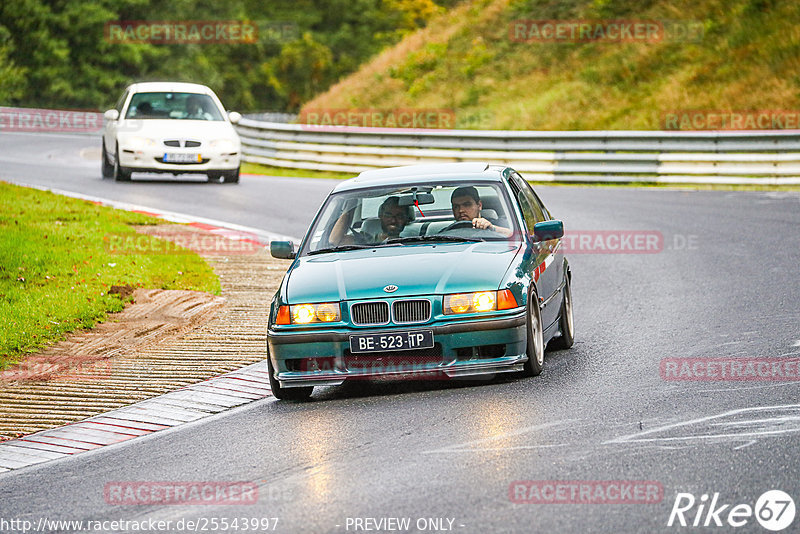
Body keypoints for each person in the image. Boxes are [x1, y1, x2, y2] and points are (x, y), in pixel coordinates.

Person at [329, 196, 410, 246]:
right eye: (388, 215)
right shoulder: (364, 240)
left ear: (406, 219)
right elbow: (334, 241)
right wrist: (350, 205)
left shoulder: (416, 242)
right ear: (380, 216)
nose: (393, 220)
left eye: (399, 216)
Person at [448, 186, 513, 237]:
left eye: (467, 205)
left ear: (479, 205)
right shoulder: (447, 231)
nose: (460, 210)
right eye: (456, 206)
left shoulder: (499, 224)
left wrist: (492, 228)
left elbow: (517, 236)